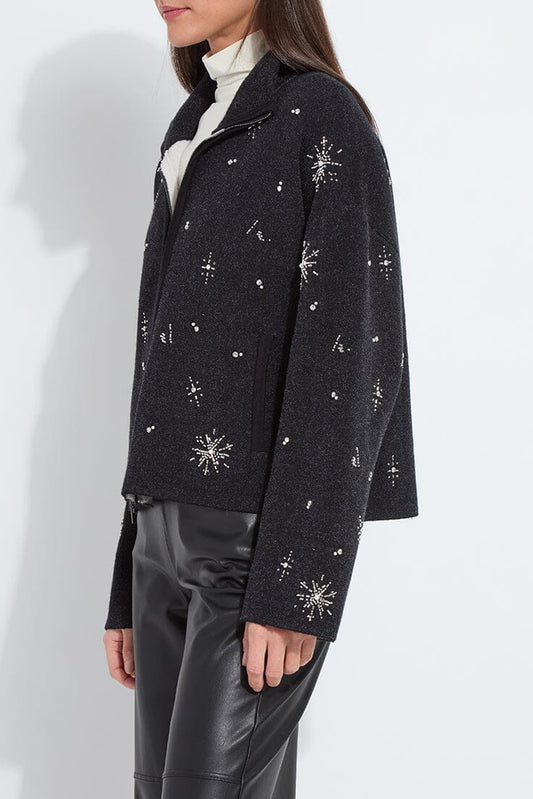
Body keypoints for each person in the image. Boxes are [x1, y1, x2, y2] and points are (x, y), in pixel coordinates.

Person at [103, 1, 419, 797]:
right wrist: (126, 577)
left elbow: (348, 360)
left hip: (251, 553)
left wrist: (295, 584)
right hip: (158, 547)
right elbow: (159, 365)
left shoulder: (319, 116)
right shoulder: (194, 122)